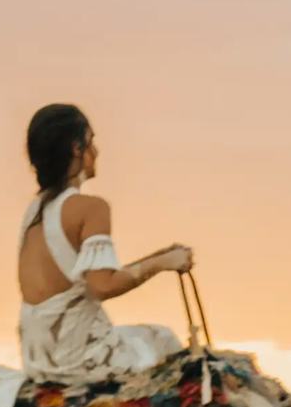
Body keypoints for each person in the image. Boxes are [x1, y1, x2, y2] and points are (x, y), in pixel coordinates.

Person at [15, 101, 193, 382]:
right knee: (164, 339)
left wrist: (160, 256)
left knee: (142, 335)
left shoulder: (33, 213)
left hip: (38, 361)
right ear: (77, 148)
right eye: (91, 142)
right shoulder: (91, 208)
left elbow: (83, 278)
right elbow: (102, 285)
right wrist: (161, 264)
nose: (96, 152)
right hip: (79, 361)